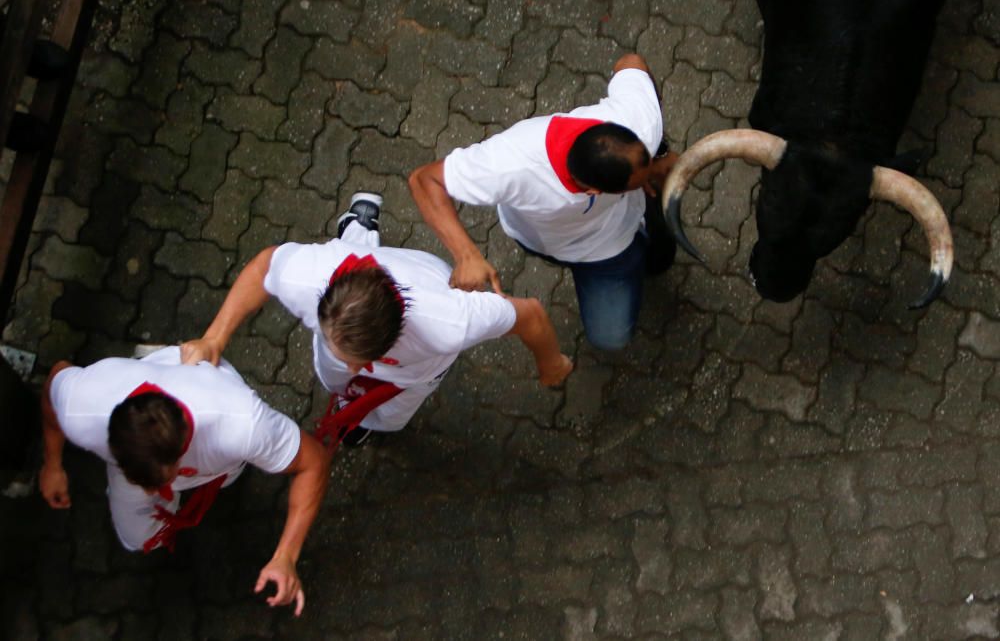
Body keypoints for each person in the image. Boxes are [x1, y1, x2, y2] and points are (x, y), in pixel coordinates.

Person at [181, 192, 573, 446]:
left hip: (417, 355)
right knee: (333, 375)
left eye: (357, 359)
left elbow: (532, 315)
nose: (348, 363)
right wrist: (215, 337)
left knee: (393, 415)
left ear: (393, 340)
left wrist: (550, 362)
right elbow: (265, 265)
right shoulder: (308, 276)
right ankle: (357, 231)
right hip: (355, 270)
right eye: (333, 340)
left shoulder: (451, 320)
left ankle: (359, 229)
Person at [408, 53, 678, 351]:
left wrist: (659, 157)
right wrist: (466, 255)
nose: (646, 181)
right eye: (634, 185)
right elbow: (424, 180)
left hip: (609, 247)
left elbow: (631, 62)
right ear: (592, 192)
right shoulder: (511, 165)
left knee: (613, 335)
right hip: (539, 240)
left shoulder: (638, 124)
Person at [39, 346, 330, 616]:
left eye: (158, 481)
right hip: (170, 430)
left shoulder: (241, 425)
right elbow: (55, 380)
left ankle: (180, 360)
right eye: (141, 479)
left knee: (229, 477)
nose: (153, 492)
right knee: (138, 539)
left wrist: (286, 556)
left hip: (218, 438)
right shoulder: (83, 408)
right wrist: (52, 465)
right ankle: (158, 361)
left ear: (181, 447)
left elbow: (312, 462)